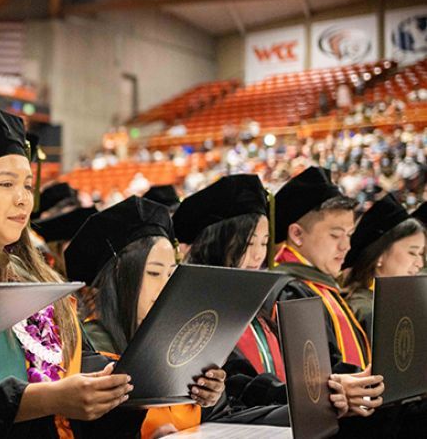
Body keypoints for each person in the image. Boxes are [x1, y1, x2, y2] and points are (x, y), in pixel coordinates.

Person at [0, 106, 132, 438]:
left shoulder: (40, 281)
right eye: (6, 184)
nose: (23, 200)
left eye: (27, 185)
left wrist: (121, 380)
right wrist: (54, 398)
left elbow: (80, 359)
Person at [175, 175, 349, 425]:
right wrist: (287, 395)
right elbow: (234, 379)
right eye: (249, 242)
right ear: (218, 241)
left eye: (265, 242)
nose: (259, 254)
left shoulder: (258, 302)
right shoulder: (196, 307)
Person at [67, 196, 227, 438]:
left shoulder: (176, 344)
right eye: (153, 273)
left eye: (171, 274)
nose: (166, 287)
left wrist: (209, 396)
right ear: (120, 276)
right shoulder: (91, 352)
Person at [271, 167, 386, 424]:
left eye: (349, 235)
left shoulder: (322, 285)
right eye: (335, 235)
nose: (345, 246)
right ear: (297, 234)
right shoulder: (291, 290)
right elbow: (316, 375)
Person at [341, 193, 426, 333]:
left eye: (421, 254)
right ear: (379, 255)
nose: (420, 263)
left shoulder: (400, 304)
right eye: (412, 252)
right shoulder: (365, 311)